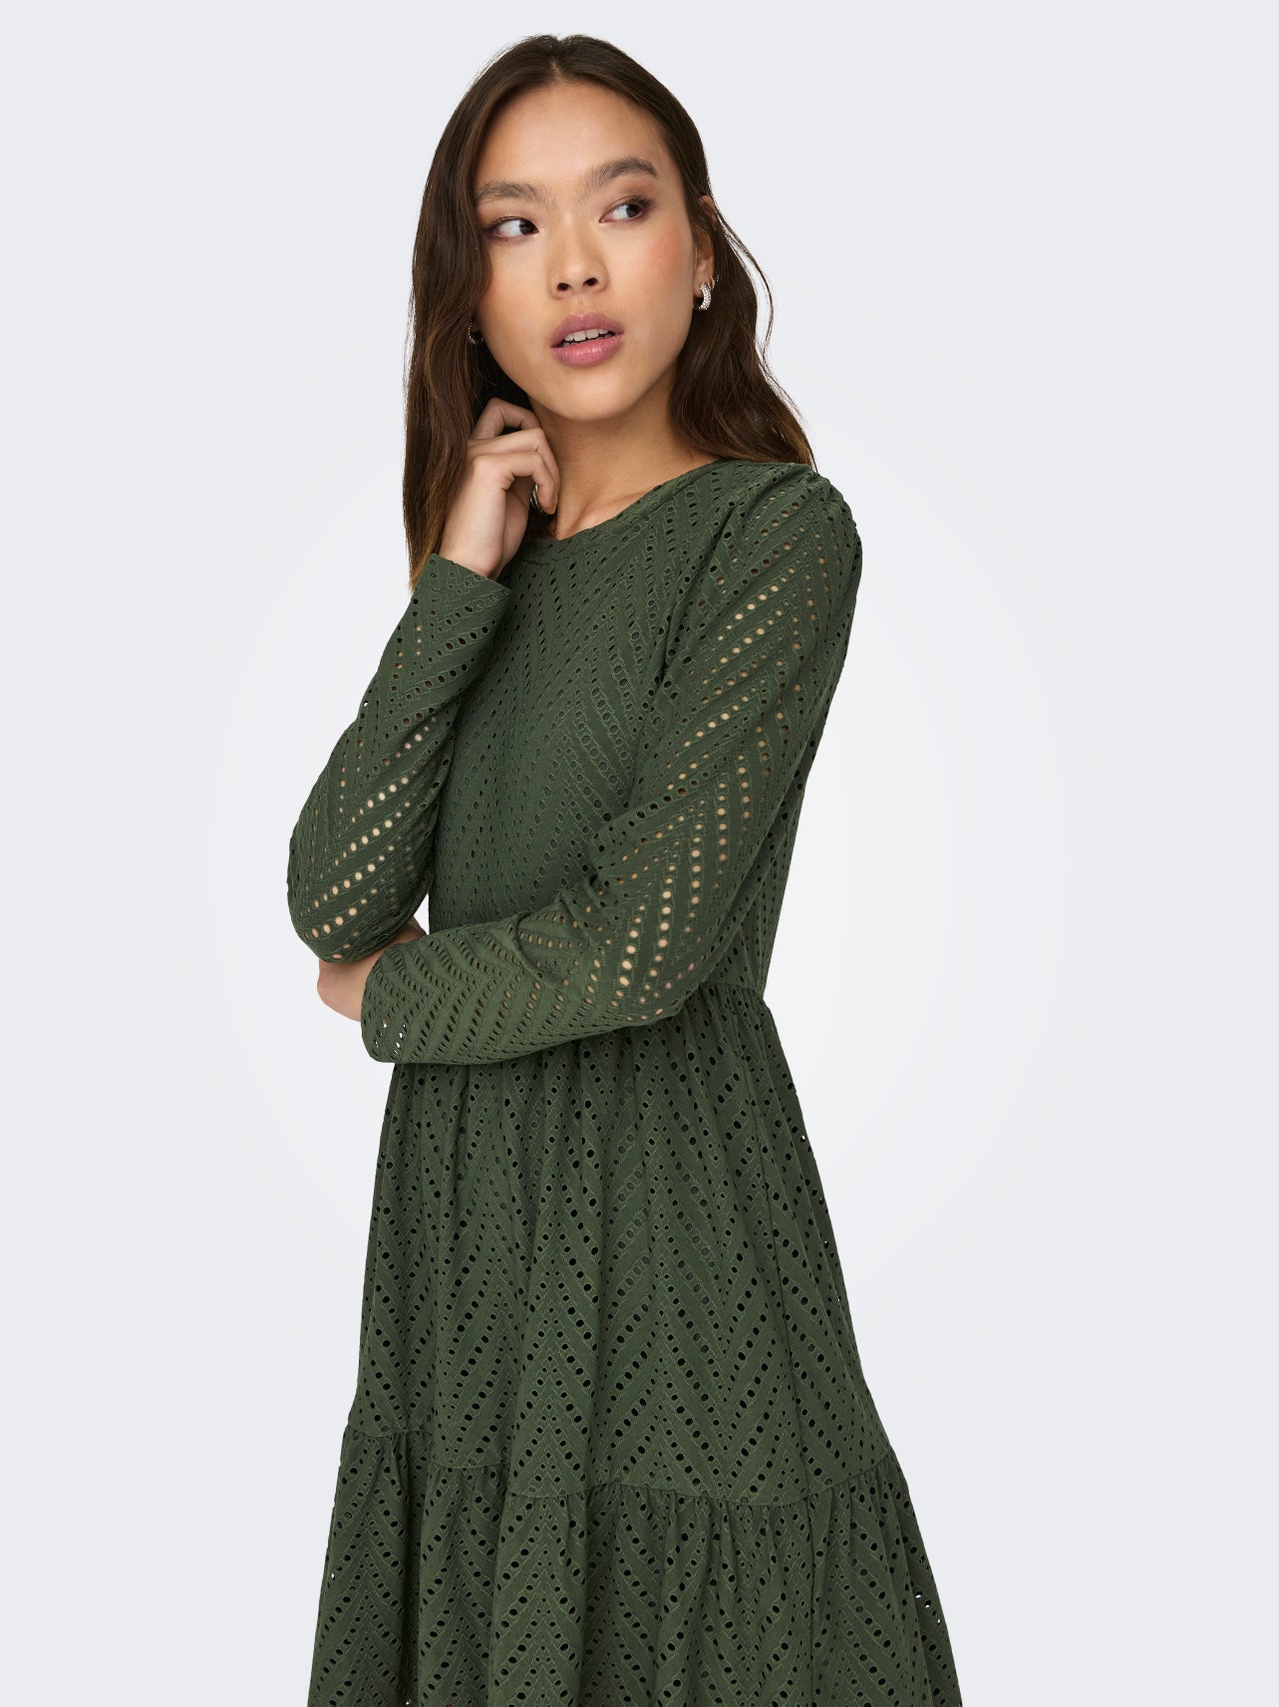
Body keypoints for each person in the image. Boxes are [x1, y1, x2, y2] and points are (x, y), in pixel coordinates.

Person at [286, 32, 964, 1707]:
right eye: (514, 226)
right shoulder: (488, 577)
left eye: (625, 206)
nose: (576, 266)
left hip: (675, 1233)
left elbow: (635, 953)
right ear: (467, 294)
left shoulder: (773, 534)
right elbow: (331, 894)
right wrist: (457, 582)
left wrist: (384, 1000)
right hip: (461, 1252)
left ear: (702, 252)